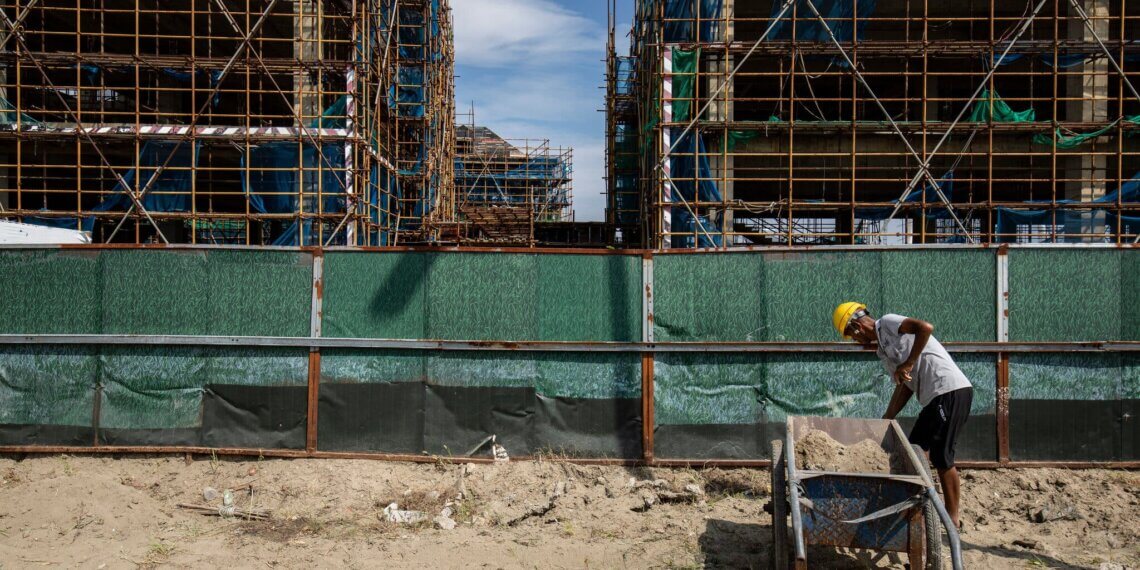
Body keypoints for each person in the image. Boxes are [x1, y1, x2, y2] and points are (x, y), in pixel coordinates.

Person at [832, 302, 973, 529]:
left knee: (941, 457)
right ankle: (916, 509)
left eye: (852, 336)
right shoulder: (883, 351)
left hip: (949, 390)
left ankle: (951, 520)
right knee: (914, 450)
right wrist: (888, 415)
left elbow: (925, 328)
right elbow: (905, 384)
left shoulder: (887, 323)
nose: (856, 342)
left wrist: (908, 362)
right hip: (934, 398)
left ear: (856, 327)